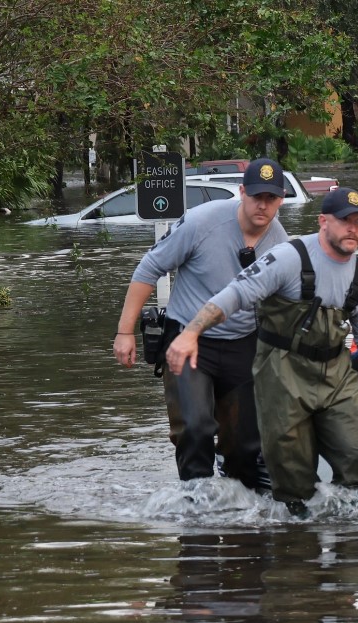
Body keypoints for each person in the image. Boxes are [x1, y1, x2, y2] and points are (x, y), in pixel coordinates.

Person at [165, 187, 358, 516]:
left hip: (335, 375)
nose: (354, 228)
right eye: (345, 220)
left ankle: (357, 545)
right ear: (323, 221)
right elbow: (237, 292)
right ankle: (295, 544)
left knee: (355, 460)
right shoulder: (289, 257)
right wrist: (191, 332)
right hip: (282, 372)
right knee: (292, 474)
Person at [113, 157, 288, 491]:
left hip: (243, 345)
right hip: (189, 342)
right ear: (241, 193)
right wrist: (125, 332)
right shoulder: (201, 222)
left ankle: (239, 518)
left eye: (271, 198)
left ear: (280, 199)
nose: (263, 206)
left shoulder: (281, 243)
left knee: (245, 444)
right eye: (256, 197)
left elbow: (289, 299)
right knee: (195, 428)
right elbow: (149, 269)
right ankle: (196, 513)